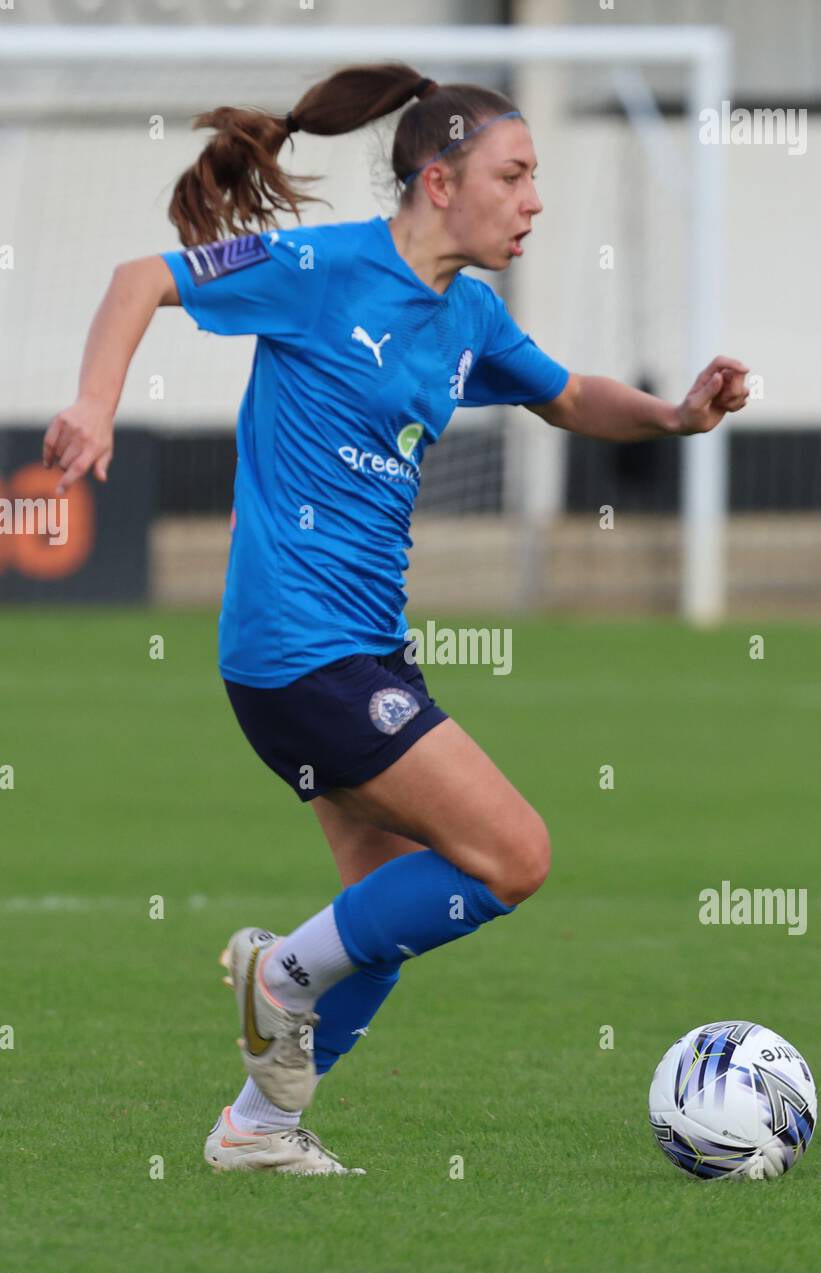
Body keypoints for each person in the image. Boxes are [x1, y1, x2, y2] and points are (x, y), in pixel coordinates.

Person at [42, 63, 749, 1176]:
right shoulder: (322, 268)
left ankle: (256, 1129)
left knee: (384, 909)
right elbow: (144, 278)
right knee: (513, 855)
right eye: (514, 175)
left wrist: (672, 414)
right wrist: (93, 403)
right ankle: (276, 976)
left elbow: (565, 395)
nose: (533, 199)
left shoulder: (467, 316)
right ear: (437, 180)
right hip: (297, 647)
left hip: (358, 650)